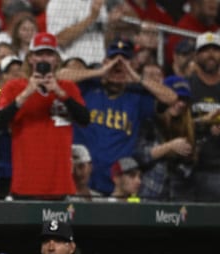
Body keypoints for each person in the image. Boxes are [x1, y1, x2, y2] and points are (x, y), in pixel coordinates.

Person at [58, 38, 178, 195]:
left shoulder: (138, 95)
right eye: (113, 60)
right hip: (80, 180)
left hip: (116, 186)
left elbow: (171, 97)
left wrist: (137, 78)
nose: (118, 65)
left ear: (133, 65)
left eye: (124, 61)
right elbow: (59, 76)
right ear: (105, 61)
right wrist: (100, 71)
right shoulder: (88, 85)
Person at [0, 32, 90, 199]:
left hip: (60, 184)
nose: (44, 58)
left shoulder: (68, 87)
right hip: (25, 184)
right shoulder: (14, 87)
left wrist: (60, 92)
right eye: (39, 54)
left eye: (49, 54)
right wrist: (27, 93)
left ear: (56, 59)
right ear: (30, 58)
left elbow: (85, 119)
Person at [134, 75, 196, 201]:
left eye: (184, 100)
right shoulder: (149, 121)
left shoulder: (186, 127)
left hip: (177, 198)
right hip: (150, 194)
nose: (180, 104)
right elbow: (140, 156)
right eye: (178, 98)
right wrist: (168, 147)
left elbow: (188, 168)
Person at [188, 32, 220, 202]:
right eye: (205, 49)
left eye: (215, 49)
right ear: (196, 55)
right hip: (191, 168)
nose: (211, 54)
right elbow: (175, 124)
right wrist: (203, 123)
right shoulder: (186, 86)